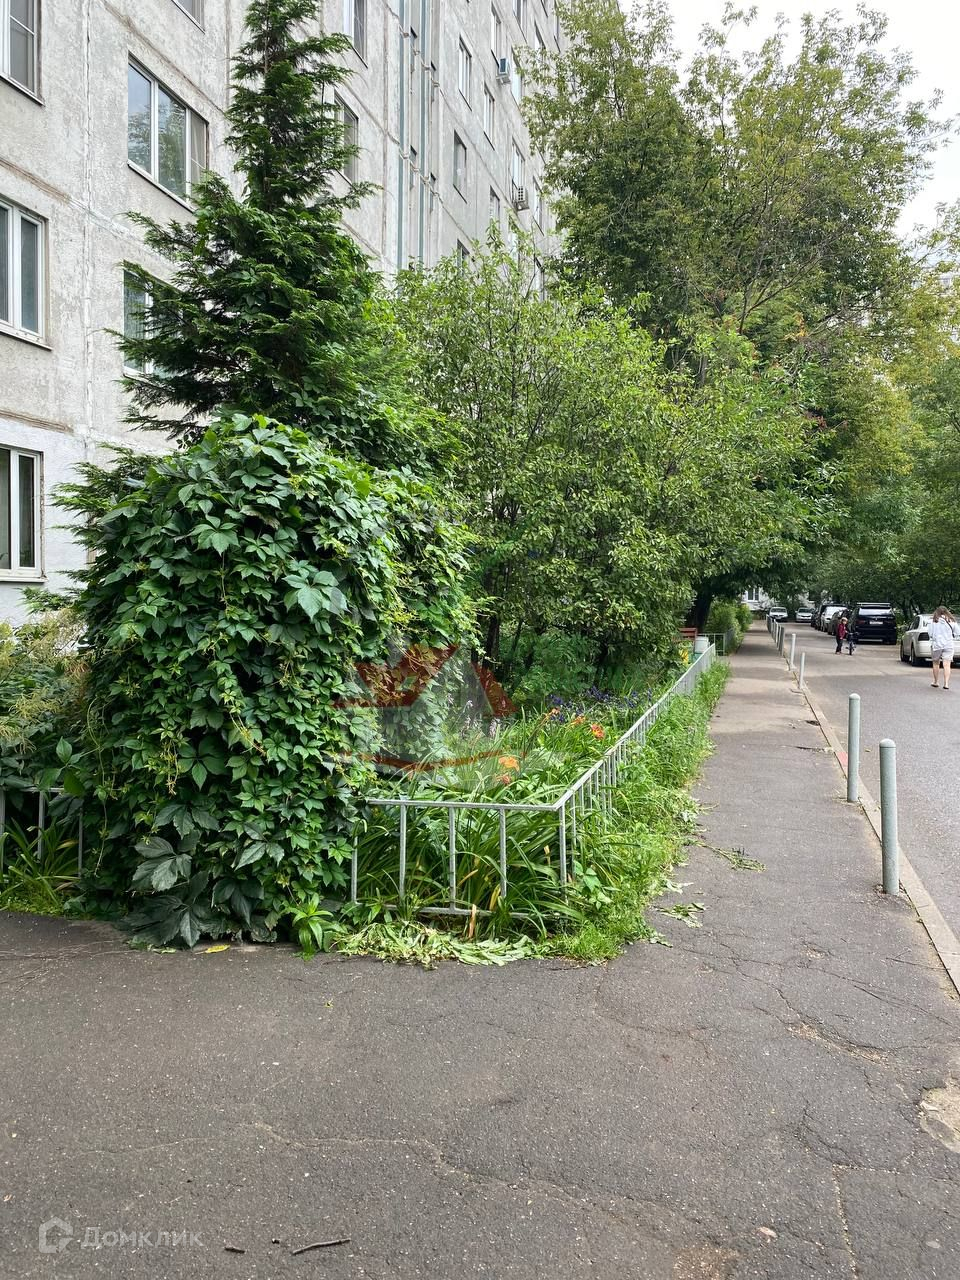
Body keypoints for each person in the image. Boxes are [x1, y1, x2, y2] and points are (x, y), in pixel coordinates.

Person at [929, 606, 957, 690]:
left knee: (936, 663)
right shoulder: (952, 621)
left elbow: (930, 633)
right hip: (949, 645)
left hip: (937, 645)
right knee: (947, 664)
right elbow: (957, 632)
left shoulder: (933, 621)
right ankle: (946, 683)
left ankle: (936, 682)